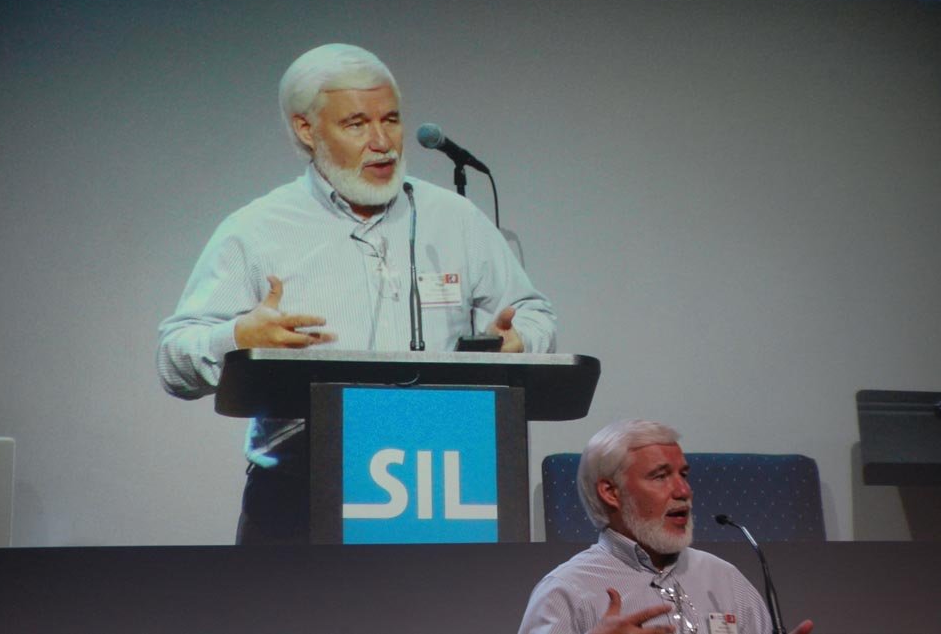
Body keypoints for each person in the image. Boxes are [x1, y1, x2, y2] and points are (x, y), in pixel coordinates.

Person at [156, 43, 556, 544]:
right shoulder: (255, 230)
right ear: (306, 130)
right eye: (357, 124)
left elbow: (534, 315)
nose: (382, 142)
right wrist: (238, 339)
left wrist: (518, 343)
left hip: (445, 487)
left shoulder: (454, 219)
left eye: (391, 120)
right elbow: (173, 358)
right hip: (298, 497)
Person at [518, 420, 813, 634]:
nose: (684, 491)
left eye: (683, 475)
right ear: (610, 492)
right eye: (660, 476)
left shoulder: (726, 579)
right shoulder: (567, 591)